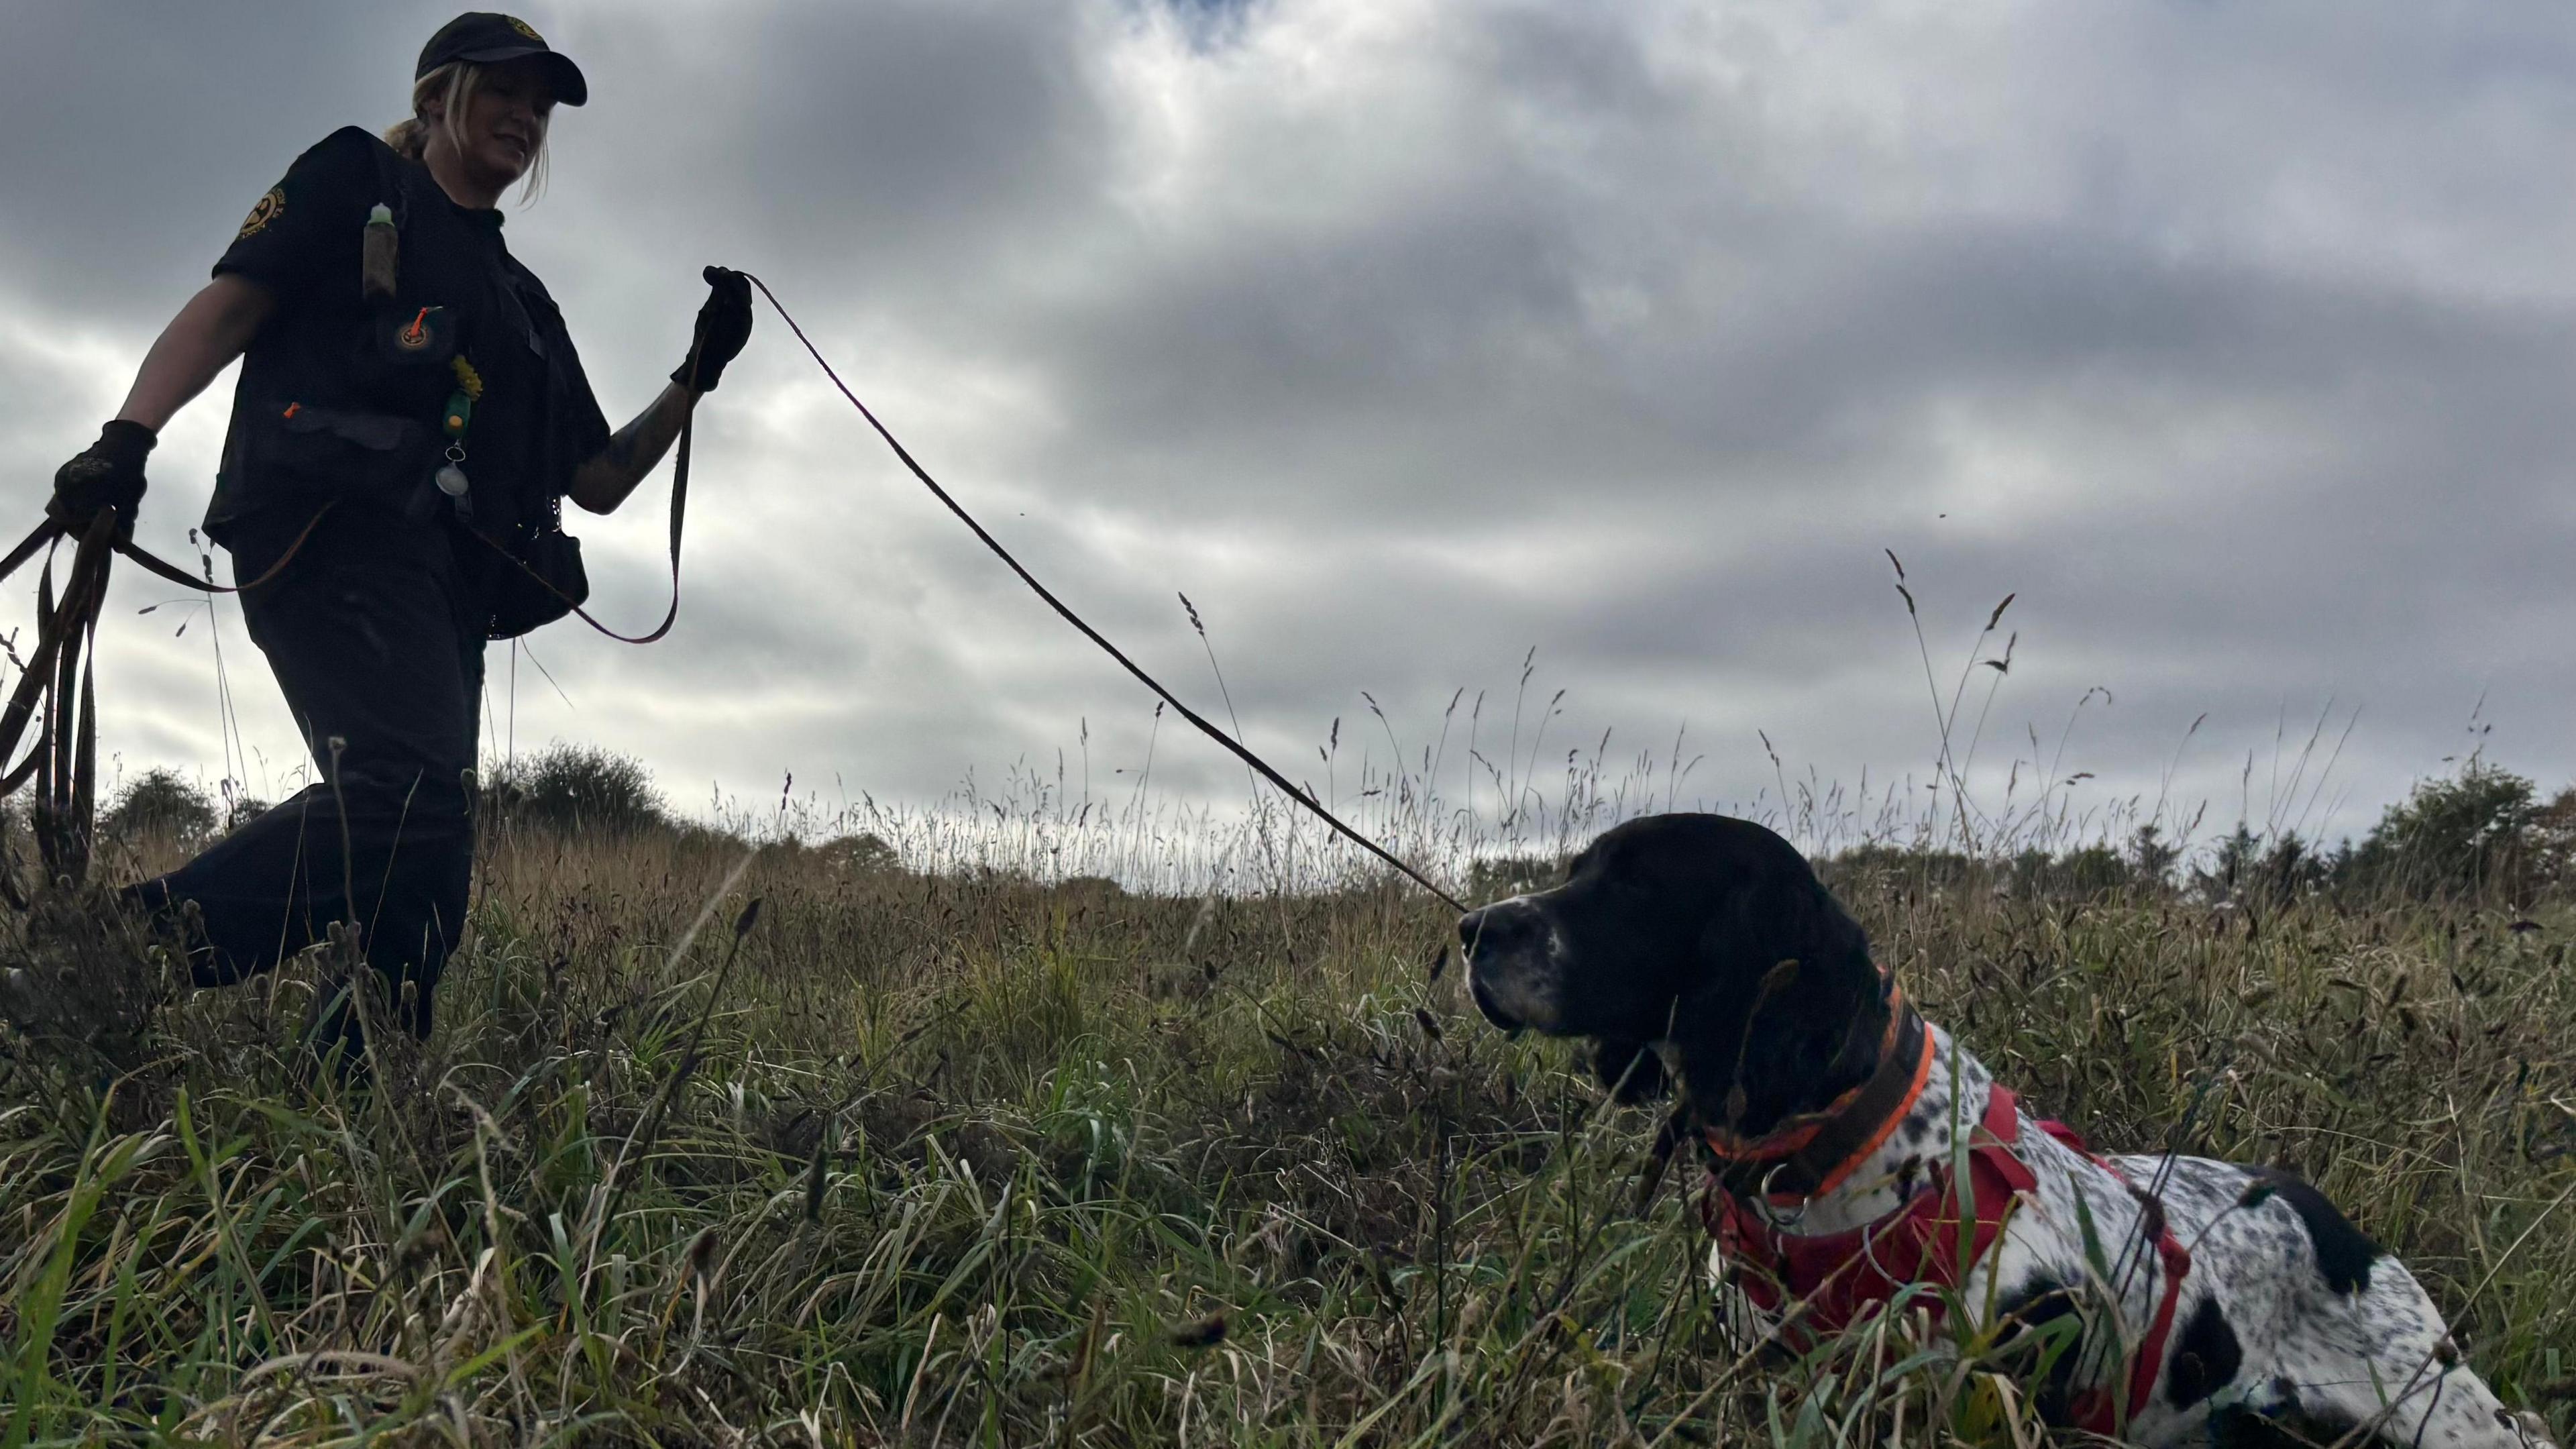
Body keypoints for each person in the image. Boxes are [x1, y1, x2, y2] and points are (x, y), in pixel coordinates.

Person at [38, 13, 753, 1063]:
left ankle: (353, 1093)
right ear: (436, 97)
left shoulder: (524, 303)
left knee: (430, 846)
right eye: (505, 92)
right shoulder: (355, 180)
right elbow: (226, 310)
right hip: (328, 526)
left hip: (445, 585)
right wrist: (126, 440)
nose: (528, 118)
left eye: (542, 106)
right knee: (408, 794)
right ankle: (102, 960)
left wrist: (698, 375)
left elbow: (597, 483)